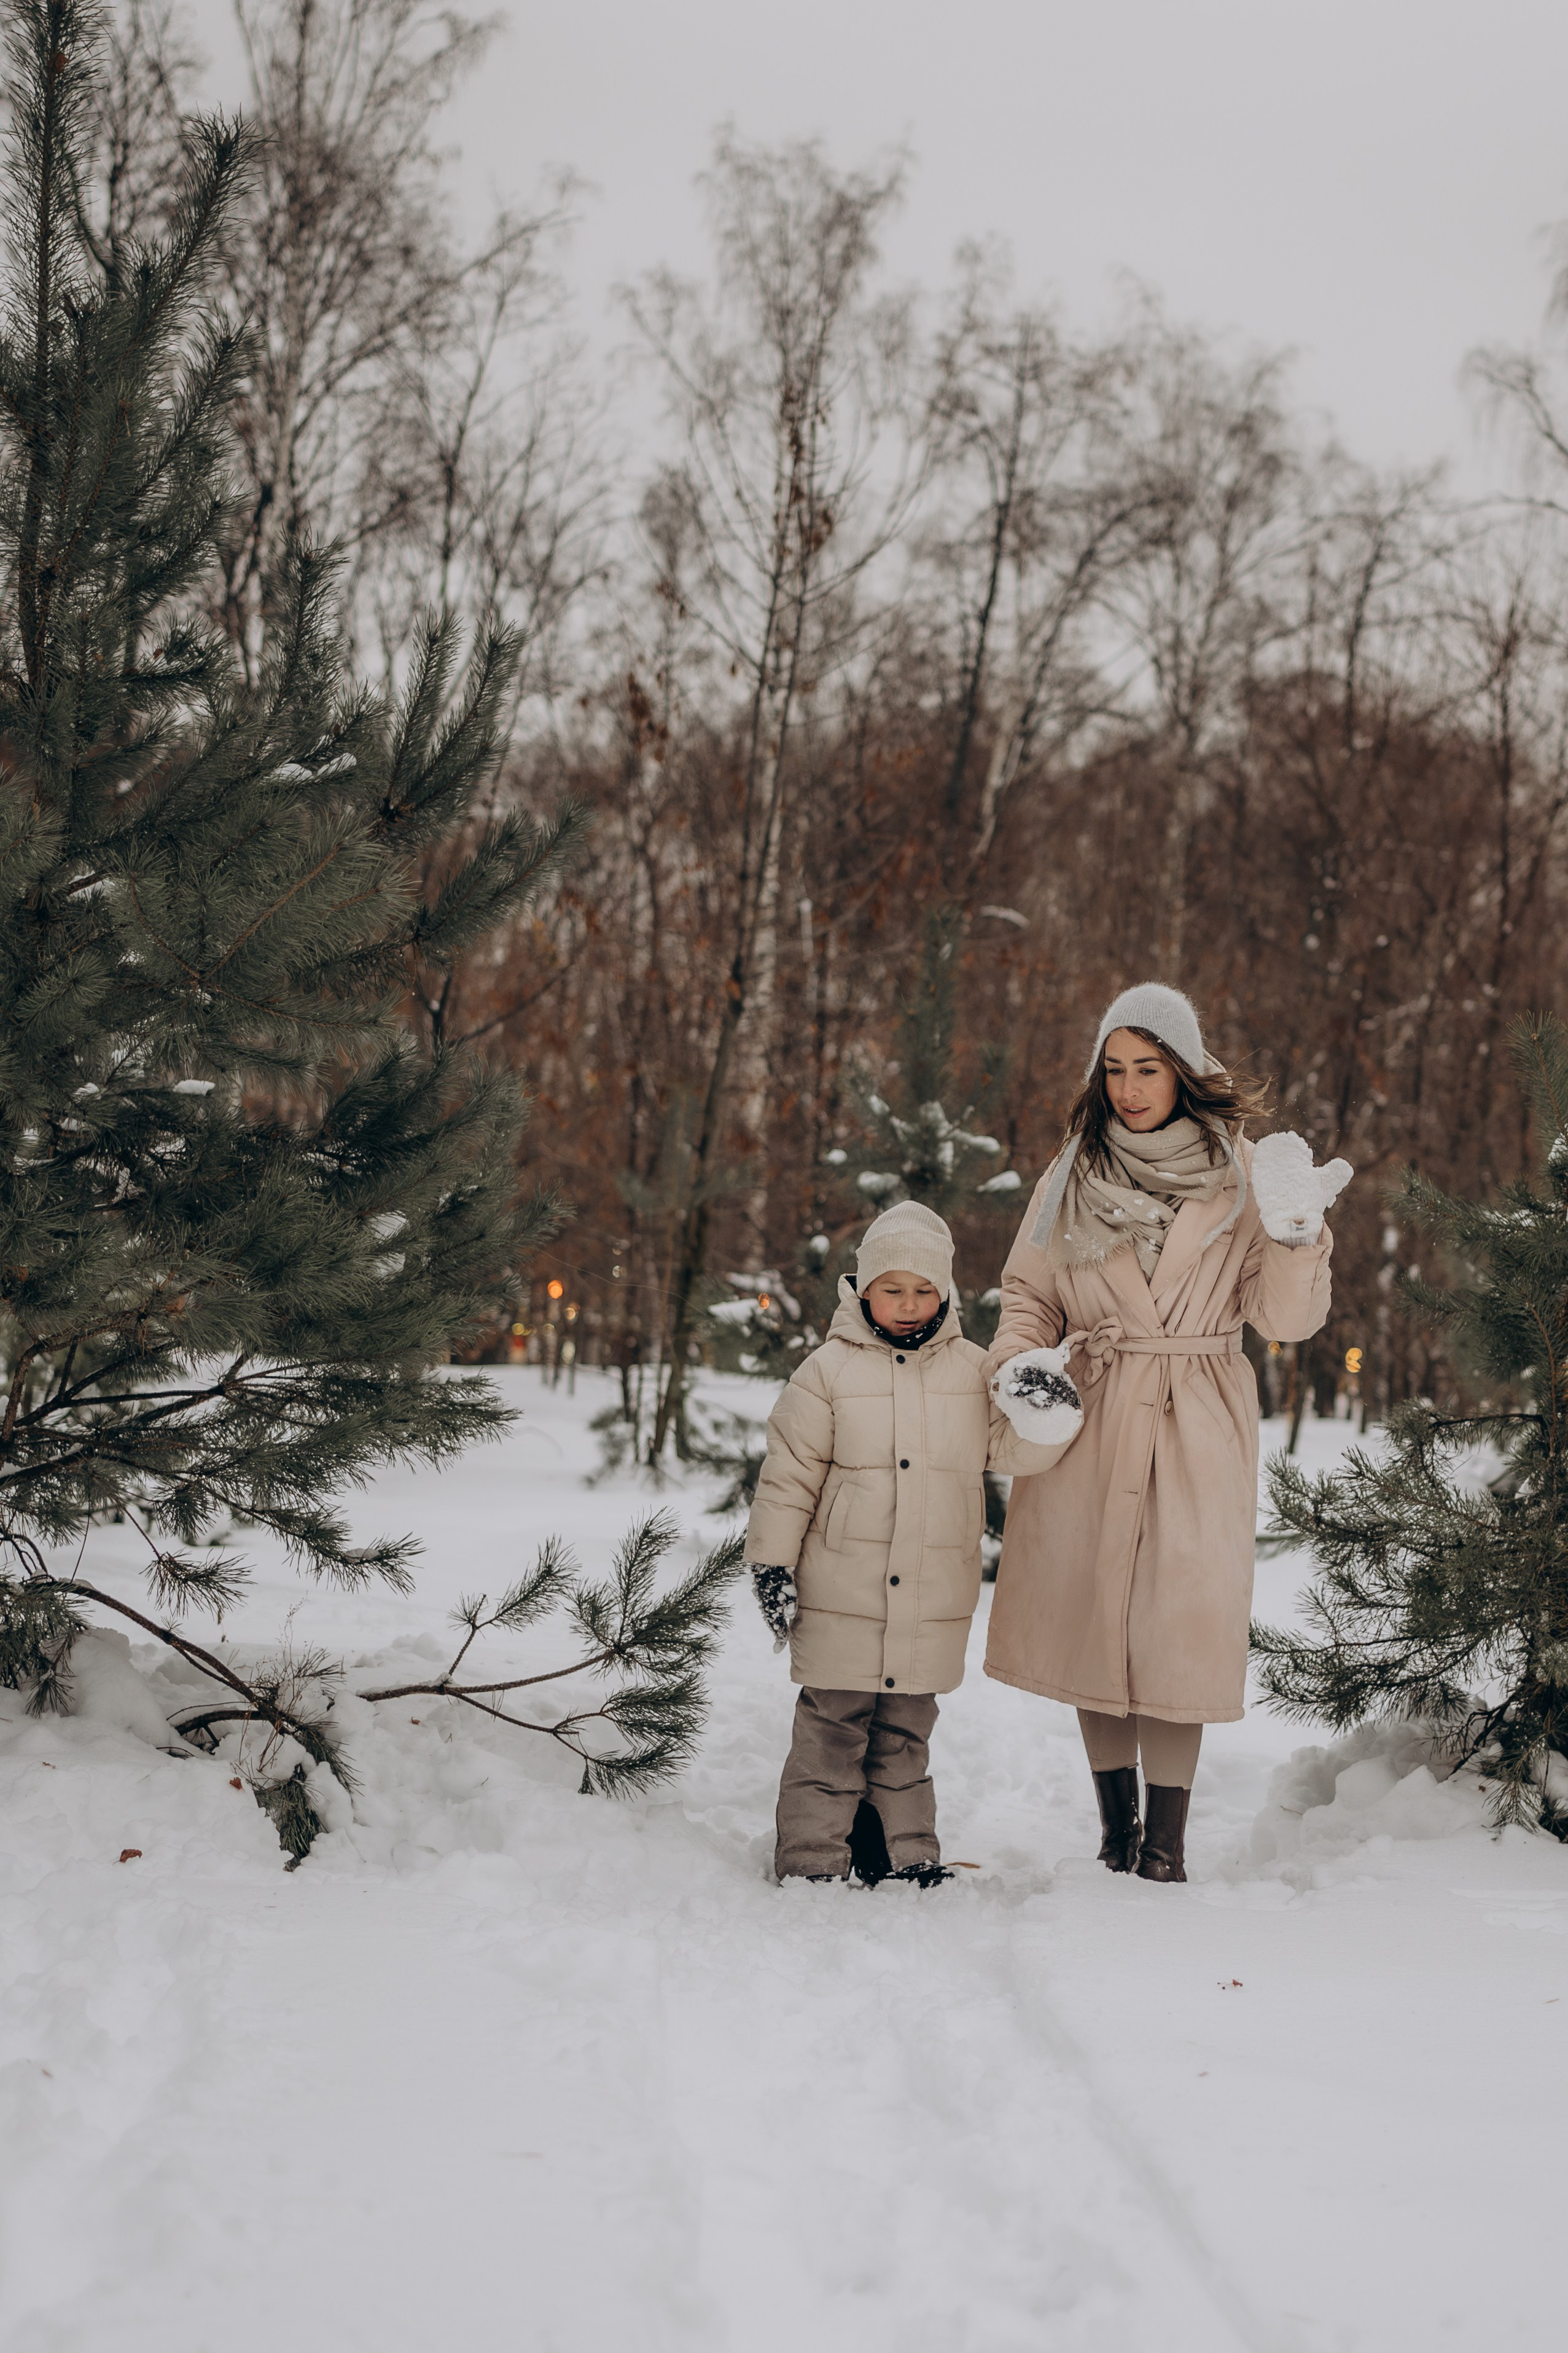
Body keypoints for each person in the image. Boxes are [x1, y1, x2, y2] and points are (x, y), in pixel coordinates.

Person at [983, 984, 1352, 1882]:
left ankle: (1165, 1848)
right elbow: (1029, 1290)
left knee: (1178, 1623)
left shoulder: (1244, 1170)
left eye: (1147, 1068)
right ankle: (1115, 1835)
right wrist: (1020, 1363)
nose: (1128, 1087)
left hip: (1198, 1412)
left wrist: (1299, 1233)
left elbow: (1284, 1318)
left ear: (1183, 1070)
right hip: (1096, 1405)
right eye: (1113, 1069)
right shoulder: (1070, 1171)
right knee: (1091, 1616)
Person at [746, 1197, 1082, 1885]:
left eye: (924, 1290)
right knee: (830, 1731)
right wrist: (772, 1562)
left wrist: (1049, 1410)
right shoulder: (827, 1372)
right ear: (862, 1289)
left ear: (946, 1292)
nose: (908, 1304)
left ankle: (904, 1854)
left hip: (930, 1594)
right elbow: (788, 1475)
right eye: (892, 1289)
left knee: (904, 1733)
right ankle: (812, 1857)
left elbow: (1019, 1447)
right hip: (842, 1587)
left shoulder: (973, 1371)